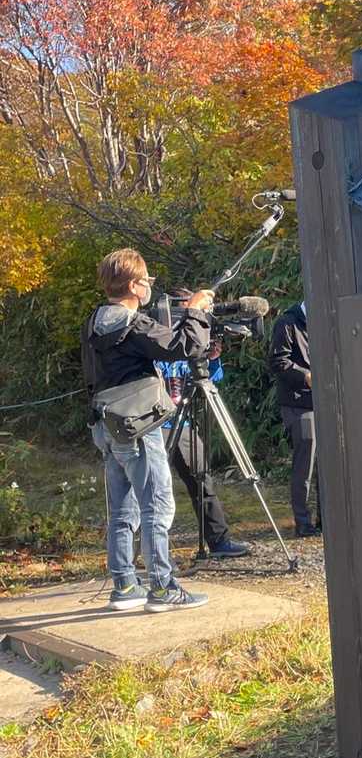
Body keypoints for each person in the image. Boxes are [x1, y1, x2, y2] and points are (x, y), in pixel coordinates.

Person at [82, 249, 212, 612]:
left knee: (123, 509)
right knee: (157, 504)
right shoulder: (133, 324)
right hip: (137, 425)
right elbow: (186, 346)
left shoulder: (93, 321)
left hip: (106, 424)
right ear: (134, 286)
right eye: (147, 281)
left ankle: (124, 585)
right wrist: (196, 311)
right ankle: (162, 587)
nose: (150, 286)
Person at [158, 347, 252, 559]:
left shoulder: (190, 354)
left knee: (202, 481)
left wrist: (213, 358)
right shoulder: (156, 350)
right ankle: (148, 552)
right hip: (155, 425)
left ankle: (219, 541)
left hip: (184, 424)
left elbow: (212, 381)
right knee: (152, 487)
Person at [269, 300, 319, 538]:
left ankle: (326, 520)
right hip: (297, 403)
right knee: (304, 463)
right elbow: (278, 362)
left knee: (329, 464)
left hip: (324, 401)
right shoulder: (287, 322)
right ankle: (303, 522)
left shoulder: (324, 319)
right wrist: (305, 376)